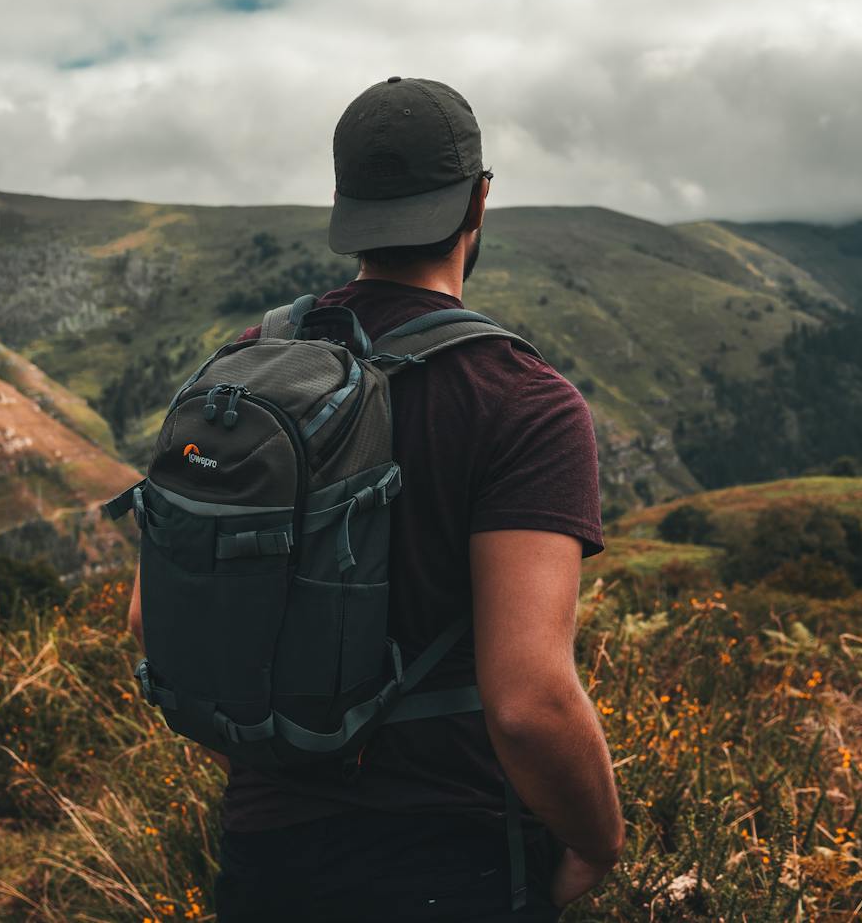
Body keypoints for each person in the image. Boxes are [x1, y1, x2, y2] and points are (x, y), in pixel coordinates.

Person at [129, 76, 624, 921]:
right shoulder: (524, 400)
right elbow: (529, 701)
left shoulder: (245, 367)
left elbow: (150, 625)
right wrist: (595, 841)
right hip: (455, 860)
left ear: (345, 205)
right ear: (479, 201)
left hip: (266, 853)